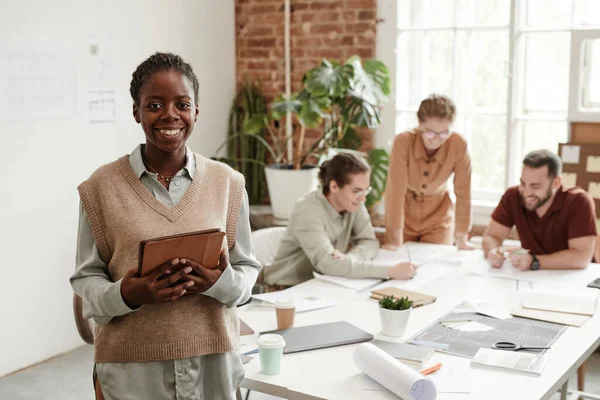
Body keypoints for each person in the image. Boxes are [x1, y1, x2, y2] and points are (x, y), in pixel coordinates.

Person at [70, 52, 261, 400]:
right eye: (155, 105)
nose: (170, 115)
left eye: (182, 104)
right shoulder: (99, 188)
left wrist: (219, 283)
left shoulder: (229, 183)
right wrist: (128, 294)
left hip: (213, 362)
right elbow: (85, 279)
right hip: (131, 369)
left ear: (196, 111)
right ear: (136, 112)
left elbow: (247, 269)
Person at [262, 152, 417, 290]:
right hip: (286, 290)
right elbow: (328, 265)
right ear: (334, 186)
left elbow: (369, 241)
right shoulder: (307, 210)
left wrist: (351, 259)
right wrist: (390, 271)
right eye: (356, 191)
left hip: (324, 284)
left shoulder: (354, 204)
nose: (363, 198)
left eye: (366, 190)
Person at [384, 94, 473, 250]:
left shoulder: (458, 145)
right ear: (419, 124)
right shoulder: (403, 142)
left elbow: (463, 192)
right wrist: (395, 240)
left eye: (444, 133)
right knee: (398, 261)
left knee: (435, 268)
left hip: (438, 219)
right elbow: (395, 192)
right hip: (403, 217)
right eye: (430, 132)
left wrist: (461, 237)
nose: (436, 139)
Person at [483, 149, 597, 270]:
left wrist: (534, 261)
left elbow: (581, 257)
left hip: (575, 278)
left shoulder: (578, 201)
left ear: (556, 182)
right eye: (523, 183)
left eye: (535, 186)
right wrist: (493, 251)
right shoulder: (513, 196)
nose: (526, 193)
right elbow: (491, 236)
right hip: (533, 279)